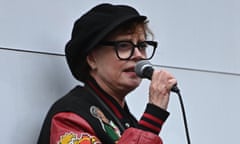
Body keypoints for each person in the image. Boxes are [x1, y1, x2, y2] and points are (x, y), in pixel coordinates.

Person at [37, 3, 177, 144]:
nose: (138, 55)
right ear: (92, 59)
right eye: (123, 45)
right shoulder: (69, 116)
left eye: (141, 46)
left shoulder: (127, 121)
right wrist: (153, 117)